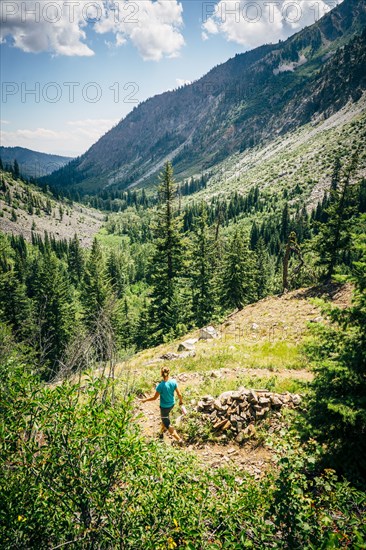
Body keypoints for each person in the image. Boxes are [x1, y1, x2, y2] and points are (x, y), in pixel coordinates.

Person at [140, 367, 184, 445]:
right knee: (164, 418)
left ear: (161, 374)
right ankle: (161, 431)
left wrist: (145, 400)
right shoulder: (173, 382)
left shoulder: (160, 386)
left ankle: (179, 439)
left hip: (164, 407)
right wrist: (181, 401)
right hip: (172, 404)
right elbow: (179, 394)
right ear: (169, 372)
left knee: (167, 423)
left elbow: (154, 398)